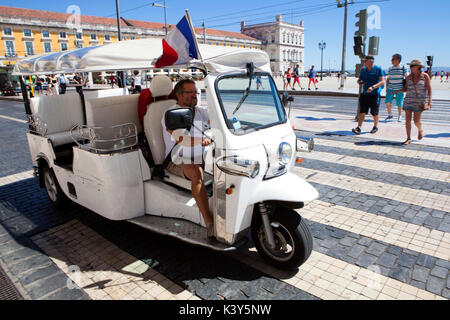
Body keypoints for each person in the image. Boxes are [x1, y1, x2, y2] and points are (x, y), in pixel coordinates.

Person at [161, 79, 214, 237]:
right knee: (196, 172)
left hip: (200, 154)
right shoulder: (171, 115)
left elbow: (217, 121)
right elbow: (181, 139)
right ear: (178, 95)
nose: (194, 95)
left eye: (195, 92)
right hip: (176, 159)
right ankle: (209, 223)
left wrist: (236, 125)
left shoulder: (199, 111)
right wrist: (201, 140)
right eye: (189, 92)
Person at [397, 59, 432, 145]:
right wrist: (398, 90)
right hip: (408, 100)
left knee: (416, 121)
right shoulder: (408, 77)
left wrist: (430, 101)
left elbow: (429, 89)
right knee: (407, 120)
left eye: (413, 66)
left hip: (419, 102)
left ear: (418, 67)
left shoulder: (425, 76)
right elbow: (406, 89)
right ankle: (408, 138)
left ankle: (420, 129)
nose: (411, 67)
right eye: (410, 66)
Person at [352, 56, 385, 135]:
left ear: (371, 61)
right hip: (365, 94)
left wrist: (373, 87)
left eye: (365, 61)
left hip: (374, 94)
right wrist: (360, 82)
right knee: (362, 112)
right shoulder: (363, 70)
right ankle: (359, 127)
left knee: (374, 112)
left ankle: (375, 126)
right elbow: (359, 80)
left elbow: (382, 81)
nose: (364, 62)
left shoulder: (378, 69)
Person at [385, 53, 407, 122]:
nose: (391, 60)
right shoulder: (390, 68)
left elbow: (407, 78)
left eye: (393, 59)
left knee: (399, 103)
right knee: (387, 101)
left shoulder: (403, 68)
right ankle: (389, 114)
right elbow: (388, 78)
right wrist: (386, 87)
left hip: (400, 89)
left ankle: (400, 116)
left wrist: (406, 88)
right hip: (391, 88)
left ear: (398, 60)